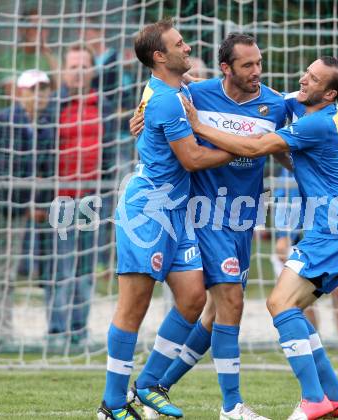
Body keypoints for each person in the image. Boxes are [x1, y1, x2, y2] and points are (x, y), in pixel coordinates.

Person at [183, 56, 338, 419]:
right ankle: (336, 395)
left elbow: (253, 147)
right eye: (307, 72)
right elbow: (267, 103)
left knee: (279, 304)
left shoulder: (318, 123)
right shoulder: (308, 104)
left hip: (334, 231)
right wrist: (188, 80)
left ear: (329, 93)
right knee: (291, 307)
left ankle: (314, 399)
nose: (304, 79)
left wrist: (197, 123)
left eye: (313, 79)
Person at [130, 33, 289, 420]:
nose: (256, 71)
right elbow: (155, 105)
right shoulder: (194, 94)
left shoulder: (276, 105)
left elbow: (289, 148)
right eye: (247, 65)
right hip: (205, 213)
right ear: (226, 68)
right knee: (231, 302)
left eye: (259, 63)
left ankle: (152, 388)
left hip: (243, 218)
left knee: (216, 314)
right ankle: (231, 406)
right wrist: (137, 118)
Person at [97, 19, 235, 420]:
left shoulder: (174, 90)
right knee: (132, 308)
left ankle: (149, 384)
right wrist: (250, 149)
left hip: (177, 210)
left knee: (193, 298)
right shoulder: (166, 100)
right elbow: (191, 159)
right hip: (148, 212)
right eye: (179, 43)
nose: (188, 47)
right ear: (160, 56)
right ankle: (112, 404)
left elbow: (151, 121)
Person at [43, 44, 115, 350]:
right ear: (65, 71)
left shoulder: (106, 107)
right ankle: (57, 331)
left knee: (86, 267)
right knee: (59, 266)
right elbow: (42, 155)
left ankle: (78, 329)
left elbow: (111, 153)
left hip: (92, 199)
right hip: (59, 199)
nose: (78, 72)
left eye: (83, 66)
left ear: (92, 70)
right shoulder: (53, 106)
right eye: (72, 67)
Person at [272, 167, 338, 362]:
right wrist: (283, 236)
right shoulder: (292, 165)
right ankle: (313, 348)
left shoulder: (336, 159)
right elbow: (284, 199)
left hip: (329, 234)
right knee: (300, 297)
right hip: (300, 236)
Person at [0, 69, 54, 350]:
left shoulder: (44, 127)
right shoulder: (2, 120)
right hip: (1, 202)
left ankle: (2, 331)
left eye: (44, 89)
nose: (39, 95)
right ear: (20, 93)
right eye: (34, 89)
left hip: (16, 210)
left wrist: (34, 199)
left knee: (6, 273)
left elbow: (43, 170)